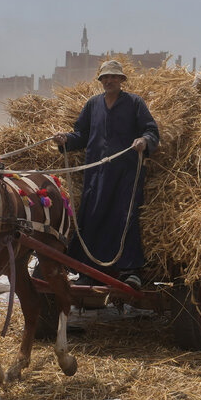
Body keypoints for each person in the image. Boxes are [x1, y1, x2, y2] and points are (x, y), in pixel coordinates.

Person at [52, 59, 159, 288]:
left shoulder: (134, 103)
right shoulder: (92, 105)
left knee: (125, 218)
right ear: (100, 81)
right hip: (97, 174)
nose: (109, 80)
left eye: (113, 77)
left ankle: (131, 271)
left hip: (126, 174)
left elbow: (151, 129)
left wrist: (144, 140)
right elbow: (81, 134)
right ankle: (86, 270)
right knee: (91, 217)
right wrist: (65, 140)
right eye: (105, 77)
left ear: (121, 80)